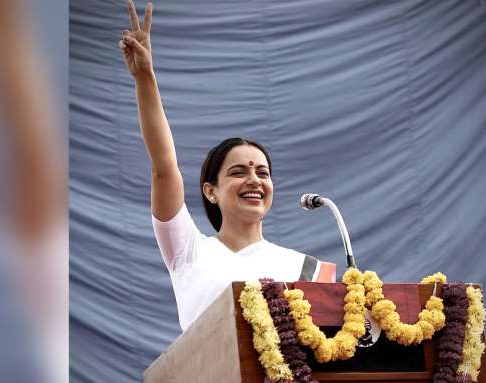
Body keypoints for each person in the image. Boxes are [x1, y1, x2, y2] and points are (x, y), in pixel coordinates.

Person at [119, 0, 334, 331]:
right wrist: (145, 78)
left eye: (262, 173)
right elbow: (164, 168)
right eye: (238, 172)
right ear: (211, 191)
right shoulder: (187, 251)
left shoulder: (305, 268)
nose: (254, 180)